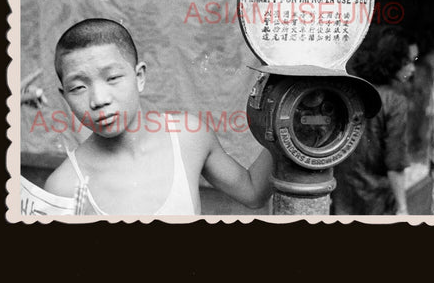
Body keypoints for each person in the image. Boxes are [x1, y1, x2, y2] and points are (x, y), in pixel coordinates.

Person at [44, 18, 273, 215]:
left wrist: (288, 122)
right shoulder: (62, 186)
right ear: (64, 96)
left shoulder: (188, 137)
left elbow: (253, 192)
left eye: (112, 78)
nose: (99, 99)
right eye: (78, 88)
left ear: (140, 76)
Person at [331, 26, 418, 215]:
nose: (412, 68)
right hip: (377, 201)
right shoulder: (395, 101)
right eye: (408, 62)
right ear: (392, 61)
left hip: (341, 195)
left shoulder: (350, 91)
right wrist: (403, 207)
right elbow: (395, 162)